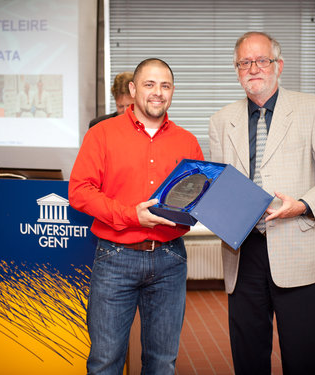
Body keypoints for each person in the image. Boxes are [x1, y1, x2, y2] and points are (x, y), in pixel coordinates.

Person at [209, 31, 315, 375]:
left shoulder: (313, 109)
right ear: (236, 69)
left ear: (279, 65)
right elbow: (220, 189)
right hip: (242, 252)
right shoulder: (220, 120)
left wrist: (302, 204)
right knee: (248, 357)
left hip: (295, 246)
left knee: (302, 356)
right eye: (245, 62)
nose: (253, 68)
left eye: (262, 60)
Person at [69, 58, 203, 374]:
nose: (158, 93)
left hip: (170, 261)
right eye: (149, 84)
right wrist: (132, 216)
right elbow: (79, 191)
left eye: (165, 85)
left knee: (162, 363)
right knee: (105, 362)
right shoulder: (101, 134)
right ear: (133, 89)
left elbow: (197, 199)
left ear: (172, 91)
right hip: (115, 259)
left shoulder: (188, 142)